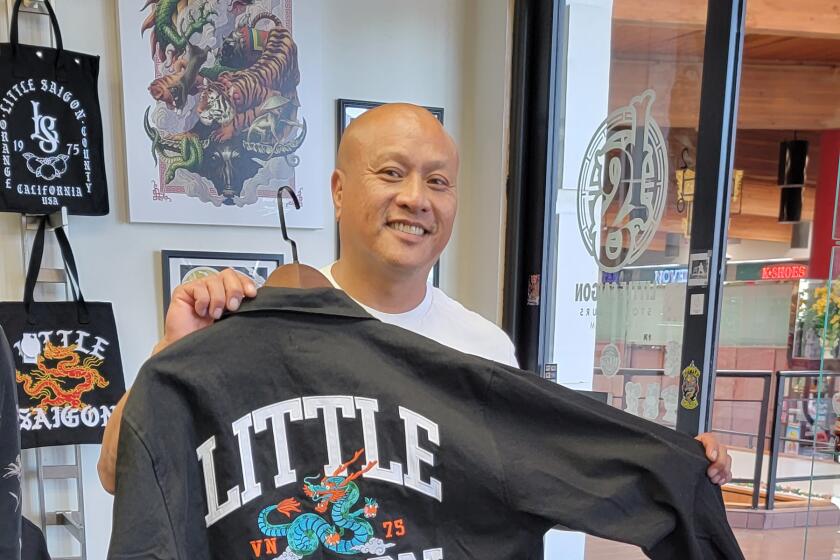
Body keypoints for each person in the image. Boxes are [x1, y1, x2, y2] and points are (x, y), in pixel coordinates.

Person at [98, 103, 732, 496]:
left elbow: (531, 486)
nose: (416, 199)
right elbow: (117, 474)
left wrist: (674, 467)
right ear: (339, 191)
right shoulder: (252, 328)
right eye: (391, 172)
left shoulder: (482, 350)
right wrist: (174, 350)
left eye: (438, 181)